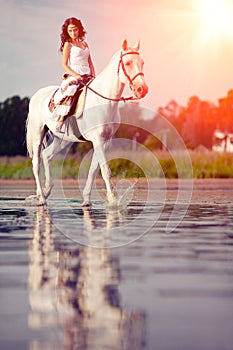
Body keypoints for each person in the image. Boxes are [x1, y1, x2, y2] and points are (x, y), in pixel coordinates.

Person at [53, 17, 95, 132]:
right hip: (75, 73)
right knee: (71, 89)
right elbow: (64, 65)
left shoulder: (85, 43)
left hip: (87, 74)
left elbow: (90, 62)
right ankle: (61, 119)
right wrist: (76, 76)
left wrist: (93, 75)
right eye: (70, 31)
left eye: (75, 30)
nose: (73, 33)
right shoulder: (68, 44)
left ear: (79, 29)